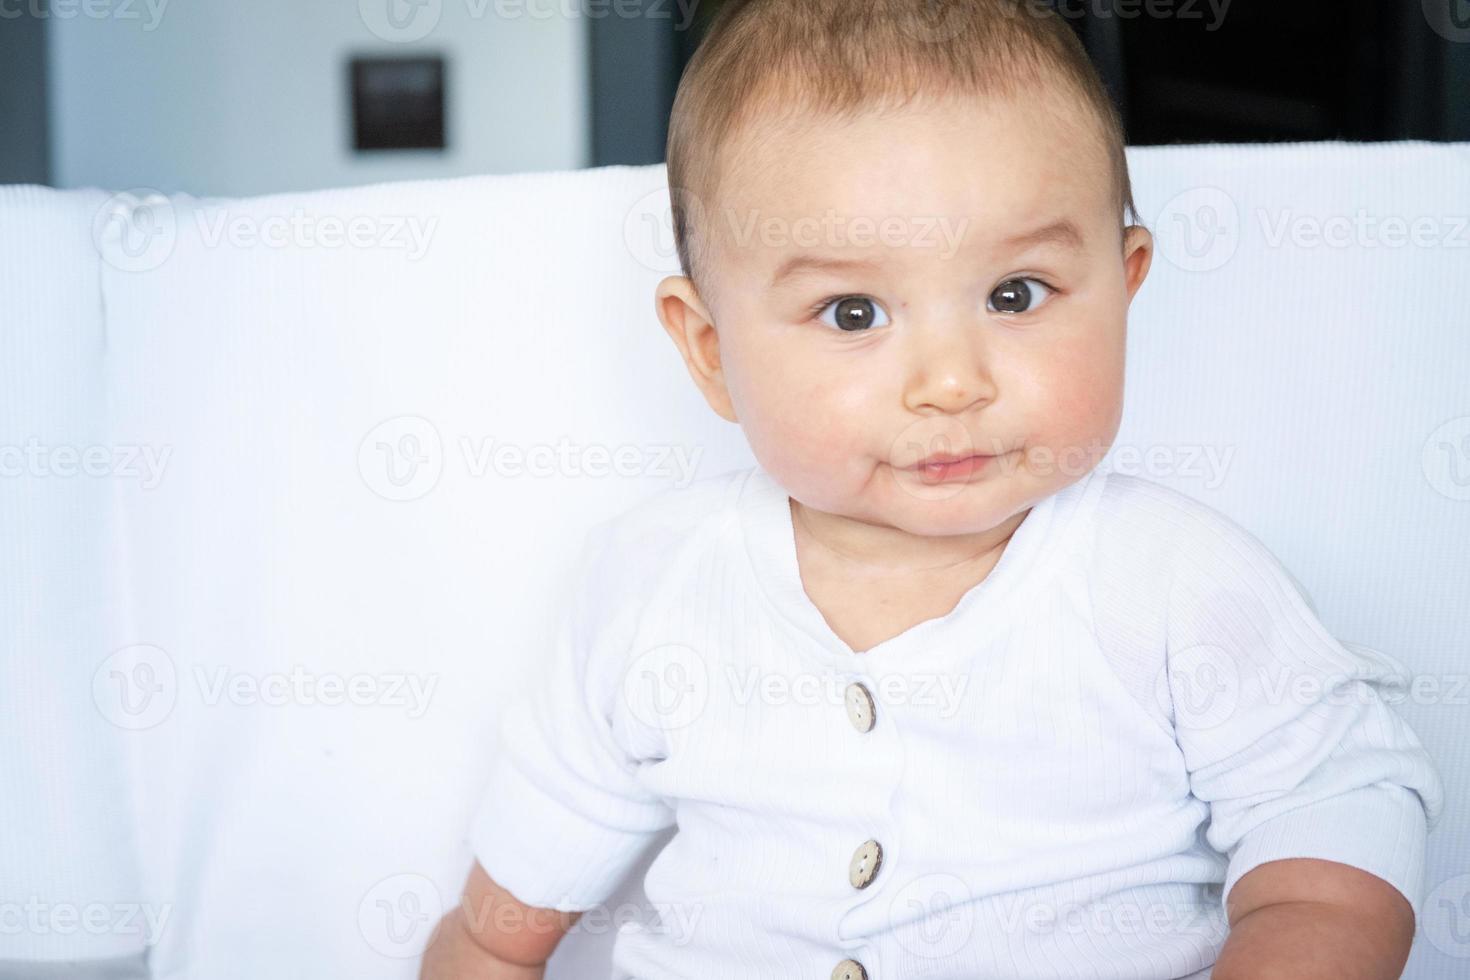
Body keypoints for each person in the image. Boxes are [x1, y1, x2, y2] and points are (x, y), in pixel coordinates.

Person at [420, 1, 1444, 976]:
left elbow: (1335, 843)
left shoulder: (1173, 580)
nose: (952, 381)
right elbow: (496, 928)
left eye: (1016, 294)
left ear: (1126, 283)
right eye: (853, 312)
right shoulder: (655, 583)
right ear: (708, 350)